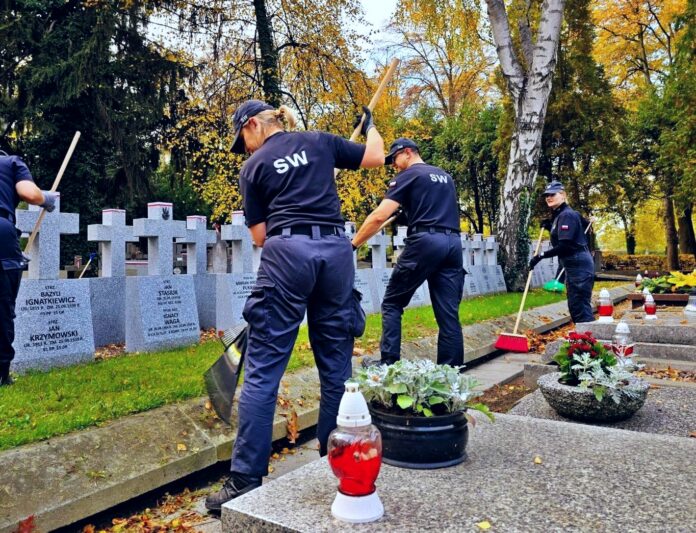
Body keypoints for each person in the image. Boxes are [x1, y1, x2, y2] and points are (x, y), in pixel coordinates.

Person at [205, 101, 384, 512]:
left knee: (265, 369)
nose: (244, 149)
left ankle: (245, 480)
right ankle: (336, 461)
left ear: (253, 125)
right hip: (336, 253)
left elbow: (260, 236)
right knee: (337, 367)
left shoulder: (253, 168)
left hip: (288, 253)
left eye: (243, 140)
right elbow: (375, 156)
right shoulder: (319, 142)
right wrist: (369, 126)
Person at [351, 138, 464, 367]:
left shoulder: (409, 175)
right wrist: (410, 213)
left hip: (426, 243)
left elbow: (379, 216)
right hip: (453, 243)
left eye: (395, 158)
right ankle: (450, 375)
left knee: (392, 302)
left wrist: (353, 245)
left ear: (408, 152)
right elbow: (433, 207)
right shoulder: (445, 177)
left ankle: (388, 363)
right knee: (448, 314)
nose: (393, 164)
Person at [0, 151, 57, 386]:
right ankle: (2, 374)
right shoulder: (10, 162)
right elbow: (28, 193)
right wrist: (45, 199)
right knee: (2, 309)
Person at [529, 180, 595, 323]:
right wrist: (550, 226)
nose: (549, 197)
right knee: (576, 307)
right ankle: (584, 342)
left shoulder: (567, 215)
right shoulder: (563, 215)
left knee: (580, 309)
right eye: (547, 195)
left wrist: (540, 256)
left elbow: (566, 246)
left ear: (563, 195)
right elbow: (580, 227)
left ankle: (589, 342)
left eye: (553, 194)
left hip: (579, 267)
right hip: (575, 267)